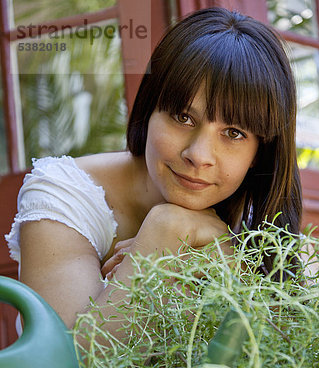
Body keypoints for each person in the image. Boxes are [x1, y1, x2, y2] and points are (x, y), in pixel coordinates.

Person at [5, 6, 302, 338]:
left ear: (260, 153)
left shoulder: (262, 226)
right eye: (183, 117)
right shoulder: (64, 193)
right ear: (149, 111)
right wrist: (162, 235)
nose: (198, 155)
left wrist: (231, 263)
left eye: (233, 133)